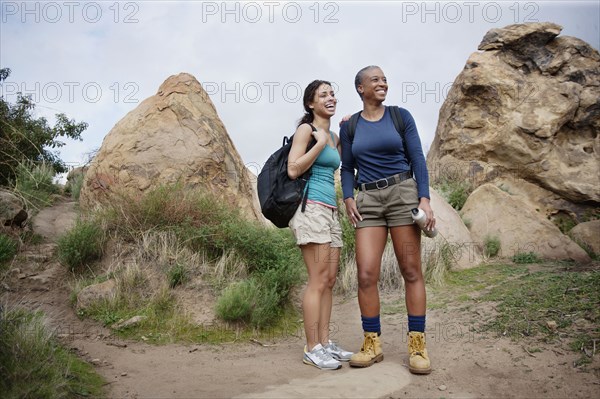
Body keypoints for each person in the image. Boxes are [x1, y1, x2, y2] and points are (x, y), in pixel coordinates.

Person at [340, 66, 435, 374]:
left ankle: (417, 346)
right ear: (360, 88)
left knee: (410, 270)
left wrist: (425, 199)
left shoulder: (400, 116)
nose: (382, 83)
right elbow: (346, 168)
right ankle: (372, 344)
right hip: (368, 200)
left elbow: (417, 157)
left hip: (402, 195)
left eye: (384, 79)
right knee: (366, 274)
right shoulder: (351, 126)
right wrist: (348, 197)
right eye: (375, 80)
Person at [287, 80, 354, 370]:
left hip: (330, 211)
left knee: (329, 280)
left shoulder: (334, 135)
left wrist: (350, 127)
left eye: (332, 94)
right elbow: (292, 169)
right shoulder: (307, 131)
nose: (330, 98)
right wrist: (320, 145)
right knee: (317, 280)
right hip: (309, 207)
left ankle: (325, 342)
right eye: (323, 95)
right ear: (310, 104)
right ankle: (312, 347)